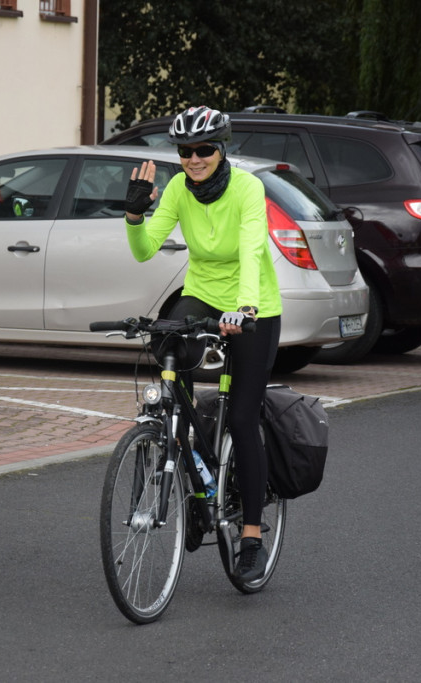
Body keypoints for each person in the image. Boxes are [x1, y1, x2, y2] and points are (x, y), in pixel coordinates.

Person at [124, 106, 282, 581]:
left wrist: (247, 308)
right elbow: (144, 249)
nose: (194, 159)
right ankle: (190, 476)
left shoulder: (248, 188)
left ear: (222, 149)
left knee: (241, 416)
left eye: (204, 150)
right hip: (202, 294)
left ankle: (251, 535)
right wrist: (134, 214)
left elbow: (253, 248)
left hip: (254, 306)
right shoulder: (176, 188)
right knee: (166, 350)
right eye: (186, 151)